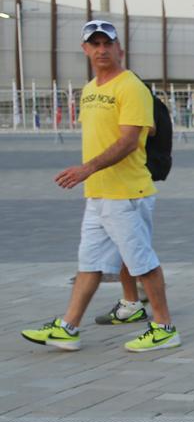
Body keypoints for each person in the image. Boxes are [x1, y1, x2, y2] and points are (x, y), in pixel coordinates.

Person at [21, 19, 181, 353]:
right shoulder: (91, 89)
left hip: (126, 193)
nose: (101, 49)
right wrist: (90, 175)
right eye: (94, 44)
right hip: (98, 193)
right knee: (90, 263)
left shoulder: (130, 87)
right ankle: (69, 327)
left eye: (107, 43)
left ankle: (164, 327)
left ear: (119, 48)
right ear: (85, 49)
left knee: (142, 261)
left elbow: (127, 142)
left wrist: (87, 168)